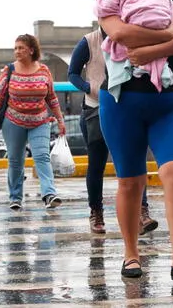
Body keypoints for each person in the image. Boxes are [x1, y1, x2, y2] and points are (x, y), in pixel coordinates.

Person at [96, 0, 173, 279]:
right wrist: (168, 33)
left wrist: (155, 45)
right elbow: (121, 33)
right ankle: (130, 254)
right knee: (130, 183)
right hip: (122, 103)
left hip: (169, 103)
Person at [68, 28, 158, 235]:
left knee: (134, 161)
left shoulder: (133, 33)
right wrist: (90, 87)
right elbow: (72, 73)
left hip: (127, 106)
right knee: (97, 163)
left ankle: (141, 212)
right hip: (96, 108)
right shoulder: (89, 41)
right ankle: (96, 213)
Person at [0, 34, 64, 210]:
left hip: (40, 121)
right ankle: (15, 198)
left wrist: (60, 119)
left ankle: (49, 194)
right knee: (15, 160)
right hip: (13, 121)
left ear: (31, 50)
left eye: (21, 48)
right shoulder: (9, 70)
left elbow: (51, 97)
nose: (17, 51)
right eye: (15, 48)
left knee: (42, 156)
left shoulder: (44, 70)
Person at [88, 0, 173, 99]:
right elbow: (120, 33)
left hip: (164, 99)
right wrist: (168, 34)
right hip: (138, 99)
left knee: (112, 49)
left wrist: (148, 52)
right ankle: (159, 69)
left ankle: (144, 69)